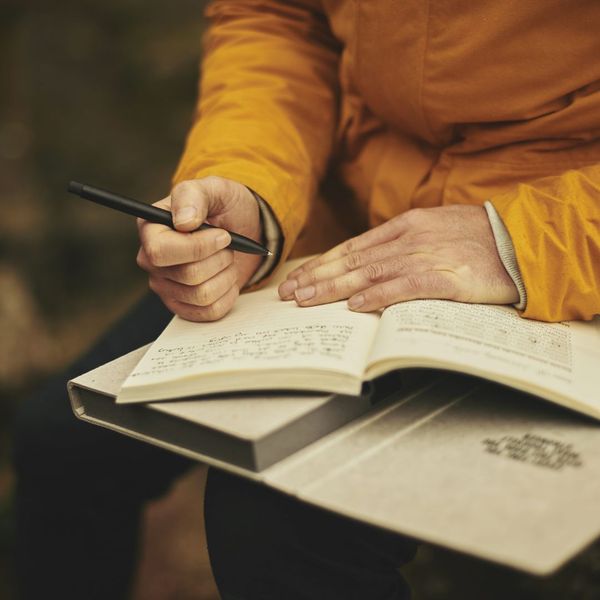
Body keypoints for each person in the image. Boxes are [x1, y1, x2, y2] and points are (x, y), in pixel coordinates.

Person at [14, 1, 600, 599]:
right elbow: (276, 18)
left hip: (559, 272)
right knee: (61, 444)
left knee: (273, 530)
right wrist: (251, 187)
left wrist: (525, 241)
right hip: (337, 231)